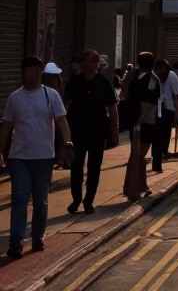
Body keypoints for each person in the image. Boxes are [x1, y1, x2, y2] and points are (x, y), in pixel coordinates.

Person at [0, 57, 73, 260]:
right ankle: (16, 244)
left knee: (40, 201)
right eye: (28, 70)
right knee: (20, 199)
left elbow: (62, 121)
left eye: (35, 70)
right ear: (23, 72)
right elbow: (6, 125)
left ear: (40, 72)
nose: (32, 74)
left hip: (43, 157)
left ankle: (38, 237)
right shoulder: (15, 98)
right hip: (19, 157)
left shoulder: (51, 96)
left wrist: (67, 143)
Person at [64, 49, 119, 215]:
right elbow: (65, 105)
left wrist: (115, 129)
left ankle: (89, 201)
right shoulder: (74, 81)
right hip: (77, 132)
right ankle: (76, 199)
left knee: (94, 168)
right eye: (90, 61)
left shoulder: (104, 82)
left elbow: (112, 108)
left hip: (97, 132)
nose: (93, 65)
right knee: (76, 167)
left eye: (95, 62)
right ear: (83, 63)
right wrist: (63, 131)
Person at [123, 52, 161, 198]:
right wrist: (141, 118)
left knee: (137, 155)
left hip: (139, 121)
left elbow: (147, 102)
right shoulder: (147, 79)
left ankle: (136, 186)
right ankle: (134, 187)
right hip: (142, 121)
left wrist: (140, 118)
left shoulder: (140, 78)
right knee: (138, 156)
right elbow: (149, 102)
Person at [154, 59, 178, 162]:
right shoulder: (156, 77)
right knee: (158, 132)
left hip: (169, 109)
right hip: (158, 108)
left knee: (166, 131)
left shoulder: (172, 77)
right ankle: (158, 152)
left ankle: (163, 152)